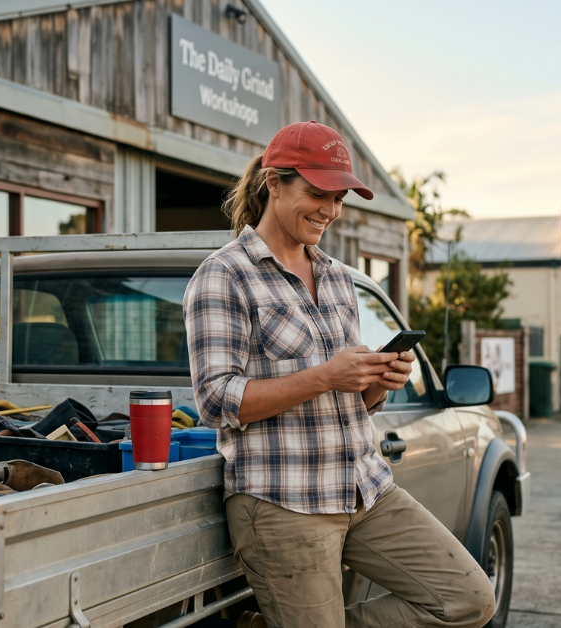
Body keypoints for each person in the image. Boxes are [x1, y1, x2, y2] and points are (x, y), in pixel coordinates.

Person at [184, 121, 495, 628]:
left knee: (468, 600)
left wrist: (377, 381)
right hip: (283, 503)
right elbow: (217, 402)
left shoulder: (335, 278)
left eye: (340, 197)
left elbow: (353, 399)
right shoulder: (224, 276)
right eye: (317, 193)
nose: (330, 210)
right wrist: (326, 376)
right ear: (274, 183)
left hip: (366, 488)